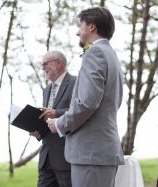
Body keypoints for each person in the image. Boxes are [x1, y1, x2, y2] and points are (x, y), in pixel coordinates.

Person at [46, 7, 125, 187]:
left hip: (91, 154)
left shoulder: (95, 54)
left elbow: (87, 103)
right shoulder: (111, 55)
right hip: (102, 152)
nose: (77, 31)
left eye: (80, 25)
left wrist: (59, 123)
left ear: (91, 27)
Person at [30, 50, 76, 187]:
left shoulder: (76, 83)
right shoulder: (47, 90)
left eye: (45, 64)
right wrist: (39, 132)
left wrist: (56, 113)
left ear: (59, 63)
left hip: (66, 156)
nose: (43, 68)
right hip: (46, 157)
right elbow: (48, 119)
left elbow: (80, 111)